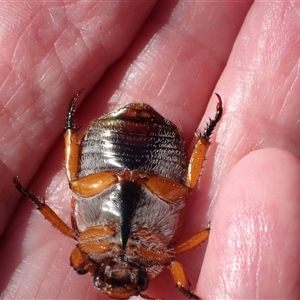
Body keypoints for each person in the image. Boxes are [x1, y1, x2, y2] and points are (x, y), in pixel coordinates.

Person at [1, 2, 300, 299]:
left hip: (107, 153)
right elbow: (187, 246)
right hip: (158, 159)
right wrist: (184, 288)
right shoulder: (163, 258)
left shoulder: (86, 247)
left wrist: (39, 203)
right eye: (135, 281)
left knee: (76, 183)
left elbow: (75, 248)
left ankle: (71, 128)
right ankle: (206, 135)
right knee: (184, 190)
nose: (120, 272)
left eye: (107, 276)